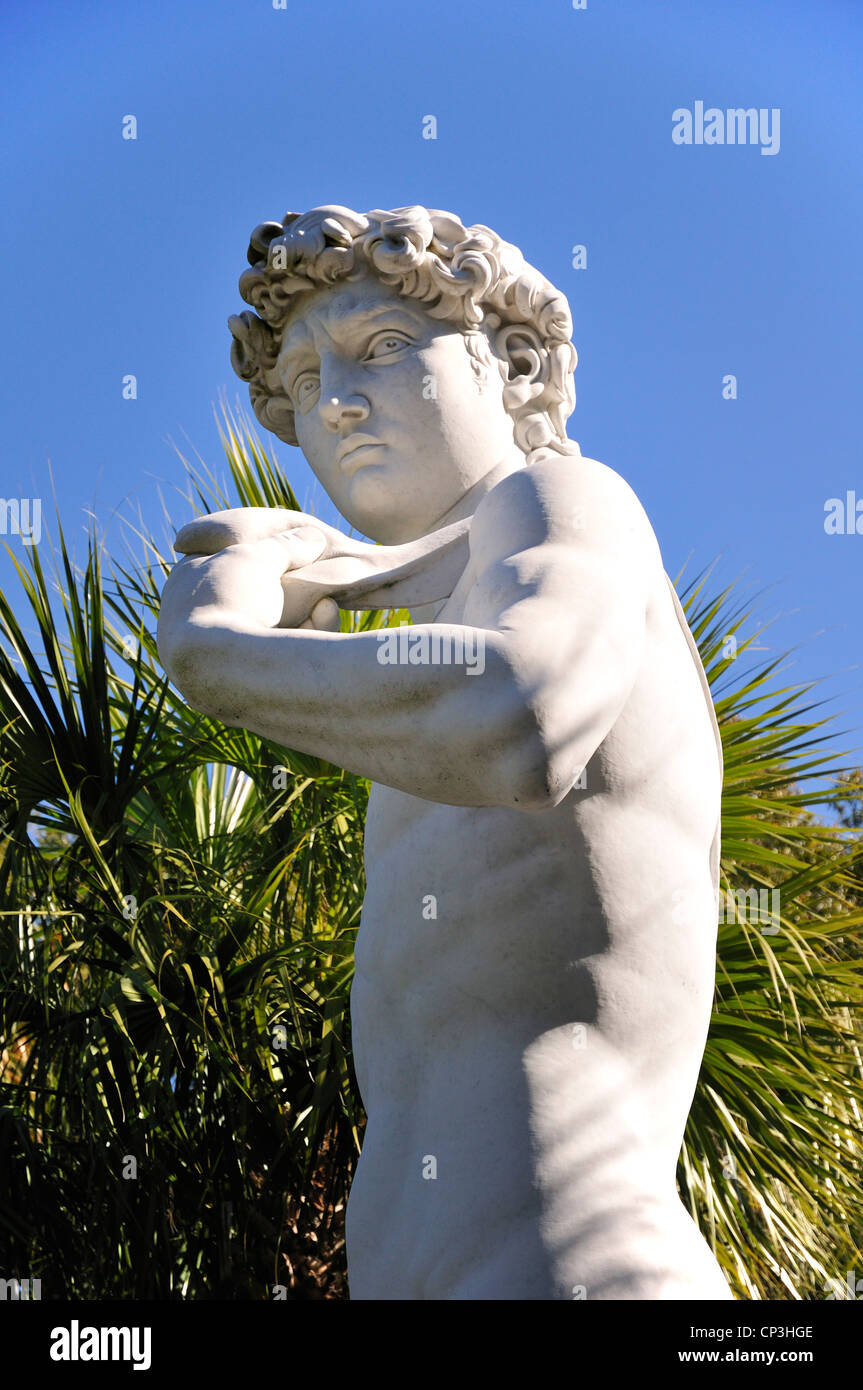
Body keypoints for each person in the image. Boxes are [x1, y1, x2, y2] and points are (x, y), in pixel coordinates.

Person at [157, 204, 731, 1300]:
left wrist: (218, 656)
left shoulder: (563, 497)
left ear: (513, 368)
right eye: (306, 378)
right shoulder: (454, 617)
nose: (339, 402)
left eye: (381, 350)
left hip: (581, 1264)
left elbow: (521, 716)